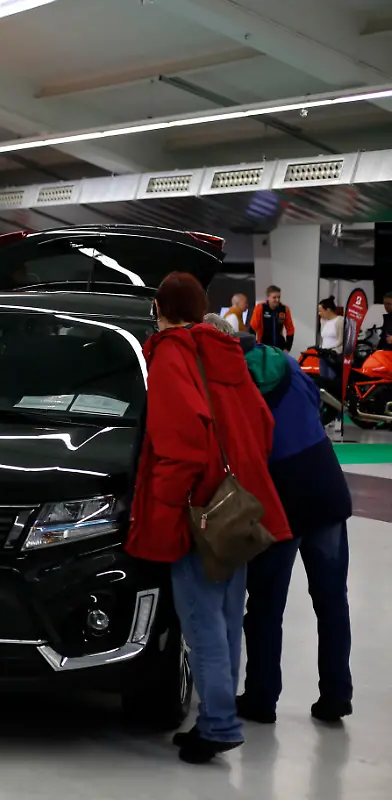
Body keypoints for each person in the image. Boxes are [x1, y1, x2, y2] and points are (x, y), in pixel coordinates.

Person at [127, 273, 291, 765]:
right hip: (235, 506)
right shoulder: (226, 351)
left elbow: (181, 444)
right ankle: (214, 717)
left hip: (197, 511)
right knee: (224, 619)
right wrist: (236, 480)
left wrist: (166, 503)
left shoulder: (171, 353)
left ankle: (218, 725)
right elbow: (262, 424)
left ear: (161, 306)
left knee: (200, 626)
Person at [202, 314, 354, 725]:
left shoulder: (225, 382)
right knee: (331, 600)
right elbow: (314, 407)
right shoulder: (284, 361)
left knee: (267, 607)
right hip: (324, 486)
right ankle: (337, 695)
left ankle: (261, 698)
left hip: (278, 498)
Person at [250, 285, 295, 352]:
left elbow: (290, 329)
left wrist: (287, 348)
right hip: (264, 347)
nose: (277, 300)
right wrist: (254, 347)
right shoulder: (260, 308)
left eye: (279, 297)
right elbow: (252, 328)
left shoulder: (284, 309)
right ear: (268, 297)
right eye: (274, 297)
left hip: (279, 348)